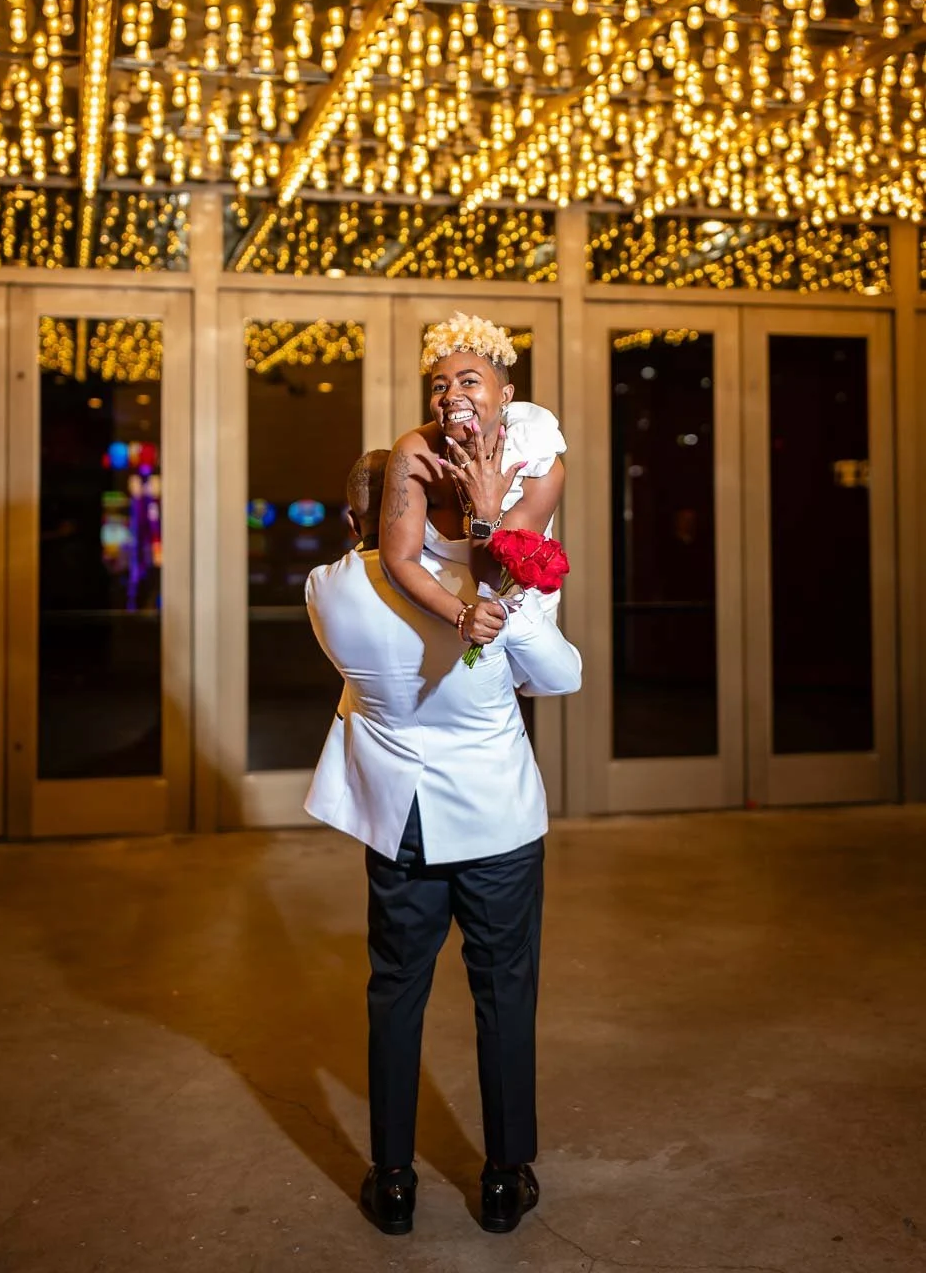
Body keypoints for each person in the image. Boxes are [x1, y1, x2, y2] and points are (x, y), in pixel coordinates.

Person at [305, 448, 583, 1237]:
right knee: (503, 994)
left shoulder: (325, 588)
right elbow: (558, 678)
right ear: (427, 514)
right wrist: (505, 570)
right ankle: (504, 1177)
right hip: (494, 823)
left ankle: (390, 1180)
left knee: (394, 991)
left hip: (401, 824)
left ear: (353, 518)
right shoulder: (477, 594)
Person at [380, 313, 567, 656]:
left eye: (468, 382)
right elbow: (399, 558)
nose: (451, 395)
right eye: (440, 386)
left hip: (510, 603)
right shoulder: (413, 453)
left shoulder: (539, 463)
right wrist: (461, 614)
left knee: (557, 678)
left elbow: (493, 581)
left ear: (505, 394)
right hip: (434, 603)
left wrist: (485, 512)